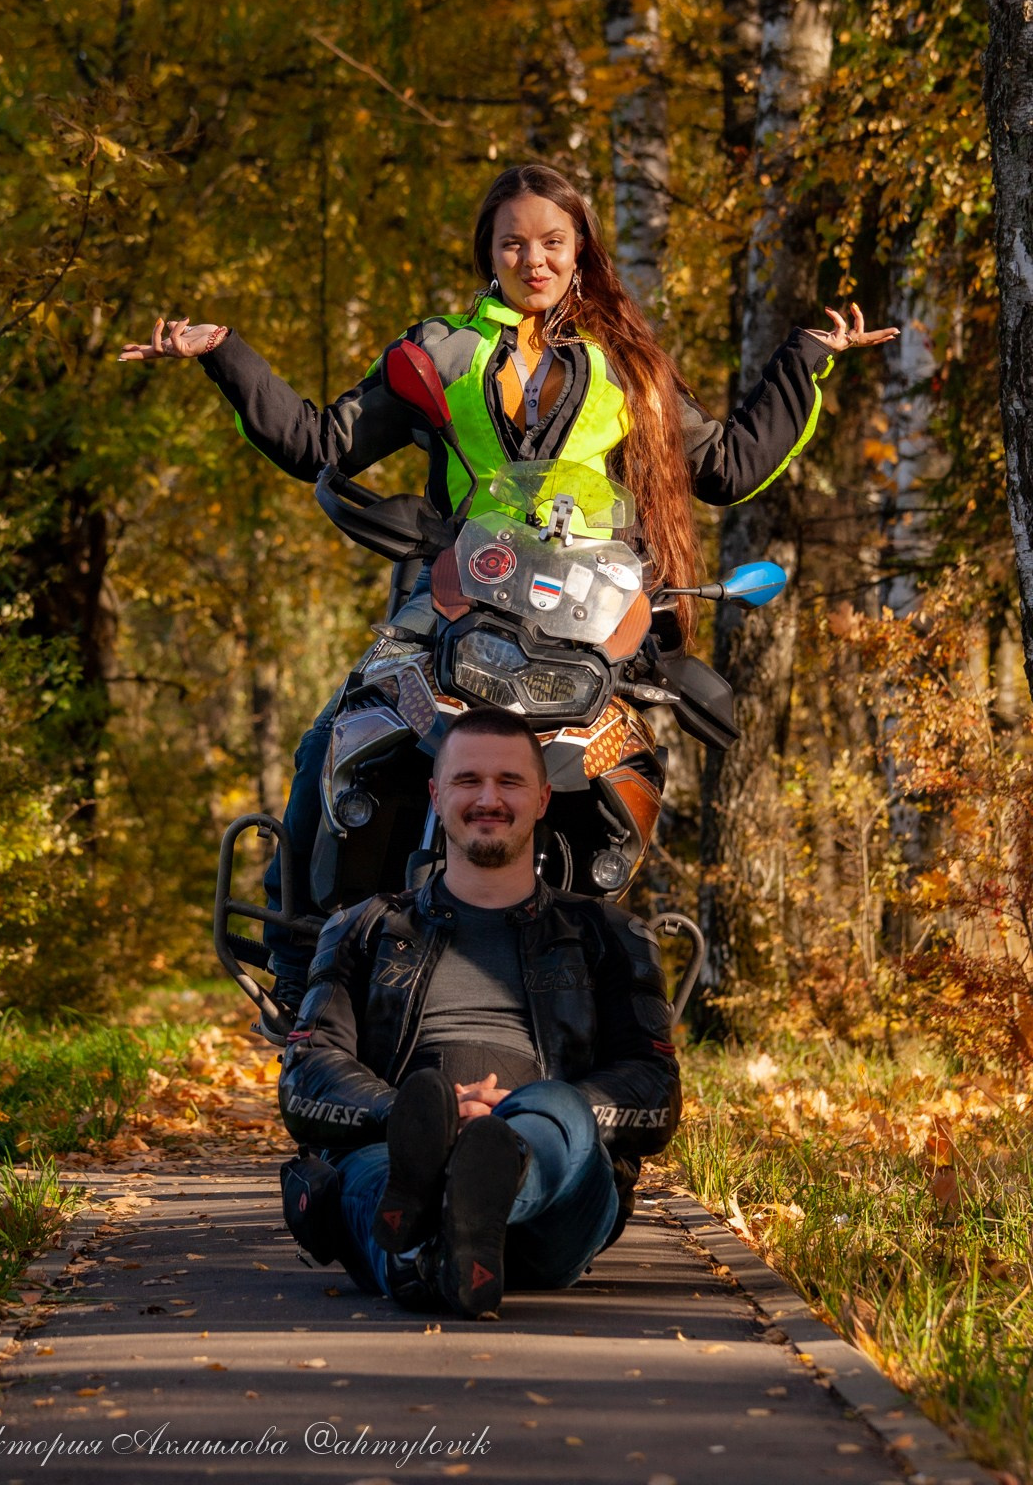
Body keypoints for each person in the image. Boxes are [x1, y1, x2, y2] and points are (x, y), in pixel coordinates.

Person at [119, 163, 898, 1021]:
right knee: (331, 740)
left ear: (580, 252)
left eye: (553, 243)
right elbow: (319, 443)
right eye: (514, 242)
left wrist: (806, 360)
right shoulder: (438, 352)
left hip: (586, 617)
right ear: (489, 254)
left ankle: (613, 981)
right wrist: (224, 353)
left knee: (629, 758)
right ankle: (305, 967)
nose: (535, 259)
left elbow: (724, 466)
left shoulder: (628, 369)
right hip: (454, 598)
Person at [274, 705, 681, 1319]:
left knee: (559, 1108)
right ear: (436, 796)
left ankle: (451, 1215)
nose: (488, 798)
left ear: (543, 798)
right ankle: (437, 1248)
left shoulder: (610, 935)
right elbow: (306, 1073)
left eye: (509, 782)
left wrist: (513, 1119)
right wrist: (414, 1115)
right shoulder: (364, 927)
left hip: (559, 1187)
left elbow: (655, 1095)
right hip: (394, 1148)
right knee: (375, 1180)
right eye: (468, 781)